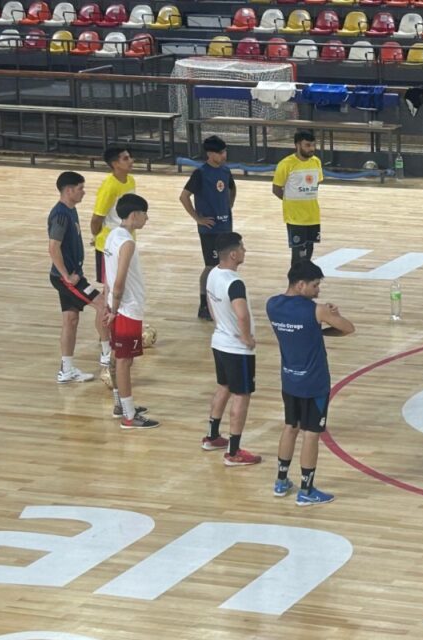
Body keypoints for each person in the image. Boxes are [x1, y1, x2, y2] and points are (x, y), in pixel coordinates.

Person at [267, 261, 354, 506]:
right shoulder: (317, 311)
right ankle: (306, 490)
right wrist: (332, 316)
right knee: (311, 434)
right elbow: (348, 329)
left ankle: (281, 481)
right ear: (301, 284)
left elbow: (298, 331)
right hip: (314, 383)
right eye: (315, 286)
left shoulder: (272, 305)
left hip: (289, 379)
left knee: (290, 427)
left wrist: (316, 329)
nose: (318, 291)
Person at [204, 232, 262, 466]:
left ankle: (212, 436)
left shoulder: (212, 274)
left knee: (223, 387)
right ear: (234, 254)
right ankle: (234, 452)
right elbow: (242, 313)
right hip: (237, 349)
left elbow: (210, 304)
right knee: (241, 395)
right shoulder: (234, 282)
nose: (245, 251)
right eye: (243, 248)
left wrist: (220, 325)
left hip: (219, 341)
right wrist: (246, 337)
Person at [47, 171, 110, 384]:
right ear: (68, 190)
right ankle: (107, 356)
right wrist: (66, 275)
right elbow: (53, 247)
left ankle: (66, 369)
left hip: (69, 276)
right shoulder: (61, 215)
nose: (84, 192)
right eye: (80, 188)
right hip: (69, 278)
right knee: (103, 305)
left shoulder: (69, 211)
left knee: (70, 320)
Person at [104, 193, 159, 429]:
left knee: (118, 358)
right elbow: (119, 280)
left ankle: (120, 404)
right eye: (145, 214)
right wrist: (116, 309)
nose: (147, 218)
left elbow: (107, 276)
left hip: (116, 307)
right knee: (125, 362)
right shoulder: (127, 242)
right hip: (126, 309)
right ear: (134, 215)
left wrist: (109, 307)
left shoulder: (111, 237)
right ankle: (128, 416)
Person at [180, 135, 237, 321]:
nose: (224, 155)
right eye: (220, 152)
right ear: (210, 154)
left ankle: (221, 300)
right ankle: (204, 304)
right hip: (210, 230)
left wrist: (228, 207)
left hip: (226, 227)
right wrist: (198, 218)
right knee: (211, 266)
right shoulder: (201, 174)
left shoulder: (226, 171)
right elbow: (184, 197)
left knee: (227, 265)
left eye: (225, 151)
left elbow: (231, 189)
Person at [89, 146, 133, 368]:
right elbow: (97, 219)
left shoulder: (130, 181)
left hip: (124, 245)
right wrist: (98, 240)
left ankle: (115, 337)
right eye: (126, 158)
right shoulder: (109, 186)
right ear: (115, 163)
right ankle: (105, 348)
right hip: (108, 248)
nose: (130, 160)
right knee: (107, 298)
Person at [272, 131, 324, 267]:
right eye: (307, 145)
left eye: (313, 145)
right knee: (298, 255)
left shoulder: (316, 162)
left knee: (309, 252)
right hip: (295, 218)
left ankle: (304, 283)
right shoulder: (286, 164)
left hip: (313, 216)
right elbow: (277, 189)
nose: (311, 149)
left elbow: (317, 183)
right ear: (297, 145)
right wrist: (292, 203)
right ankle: (294, 283)